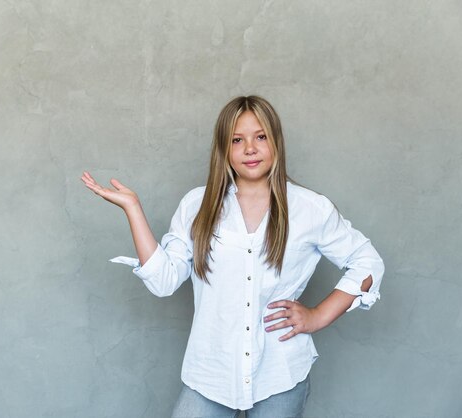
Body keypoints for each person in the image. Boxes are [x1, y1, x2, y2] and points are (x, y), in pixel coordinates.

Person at [81, 96, 384, 418]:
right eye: (237, 140)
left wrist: (318, 315)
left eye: (261, 136)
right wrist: (133, 209)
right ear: (224, 149)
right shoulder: (197, 205)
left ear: (276, 142)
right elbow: (163, 281)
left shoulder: (311, 208)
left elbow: (367, 262)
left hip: (280, 373)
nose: (250, 148)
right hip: (210, 373)